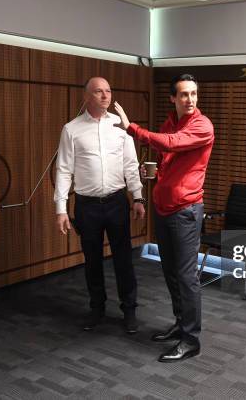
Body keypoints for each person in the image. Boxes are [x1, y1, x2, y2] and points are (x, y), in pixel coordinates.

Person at [113, 73, 214, 363]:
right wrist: (157, 173)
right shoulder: (172, 120)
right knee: (171, 272)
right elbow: (165, 150)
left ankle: (191, 339)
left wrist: (131, 128)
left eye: (193, 94)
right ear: (173, 98)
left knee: (186, 277)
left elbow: (170, 143)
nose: (190, 99)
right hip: (164, 208)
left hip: (185, 212)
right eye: (184, 94)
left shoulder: (202, 125)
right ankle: (181, 325)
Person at [54, 77, 146, 334]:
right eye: (98, 92)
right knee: (92, 260)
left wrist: (137, 197)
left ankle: (129, 310)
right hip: (87, 206)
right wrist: (60, 209)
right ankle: (97, 309)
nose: (105, 96)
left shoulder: (120, 126)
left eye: (108, 91)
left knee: (123, 259)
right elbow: (63, 170)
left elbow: (130, 165)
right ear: (86, 97)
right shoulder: (71, 129)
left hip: (117, 202)